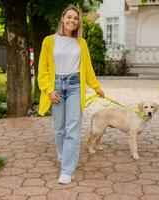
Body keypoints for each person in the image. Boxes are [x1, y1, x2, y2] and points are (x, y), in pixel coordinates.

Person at [37, 4, 105, 184]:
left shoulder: (81, 43)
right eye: (69, 17)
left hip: (75, 86)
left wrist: (97, 87)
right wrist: (49, 90)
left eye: (76, 18)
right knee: (59, 128)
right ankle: (63, 155)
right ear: (62, 18)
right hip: (56, 86)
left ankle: (67, 169)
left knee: (73, 128)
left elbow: (88, 69)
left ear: (78, 22)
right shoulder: (49, 41)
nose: (72, 21)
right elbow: (42, 69)